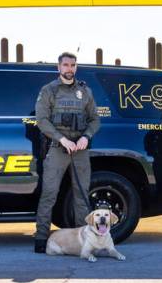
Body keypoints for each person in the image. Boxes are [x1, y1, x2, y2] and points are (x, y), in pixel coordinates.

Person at [33, 52, 101, 253]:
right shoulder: (49, 91)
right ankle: (41, 238)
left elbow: (95, 119)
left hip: (79, 150)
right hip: (58, 149)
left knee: (82, 196)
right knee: (49, 194)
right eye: (66, 65)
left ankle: (83, 240)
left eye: (72, 65)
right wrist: (61, 139)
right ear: (59, 67)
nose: (69, 68)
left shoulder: (85, 91)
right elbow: (42, 120)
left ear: (76, 67)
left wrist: (85, 137)